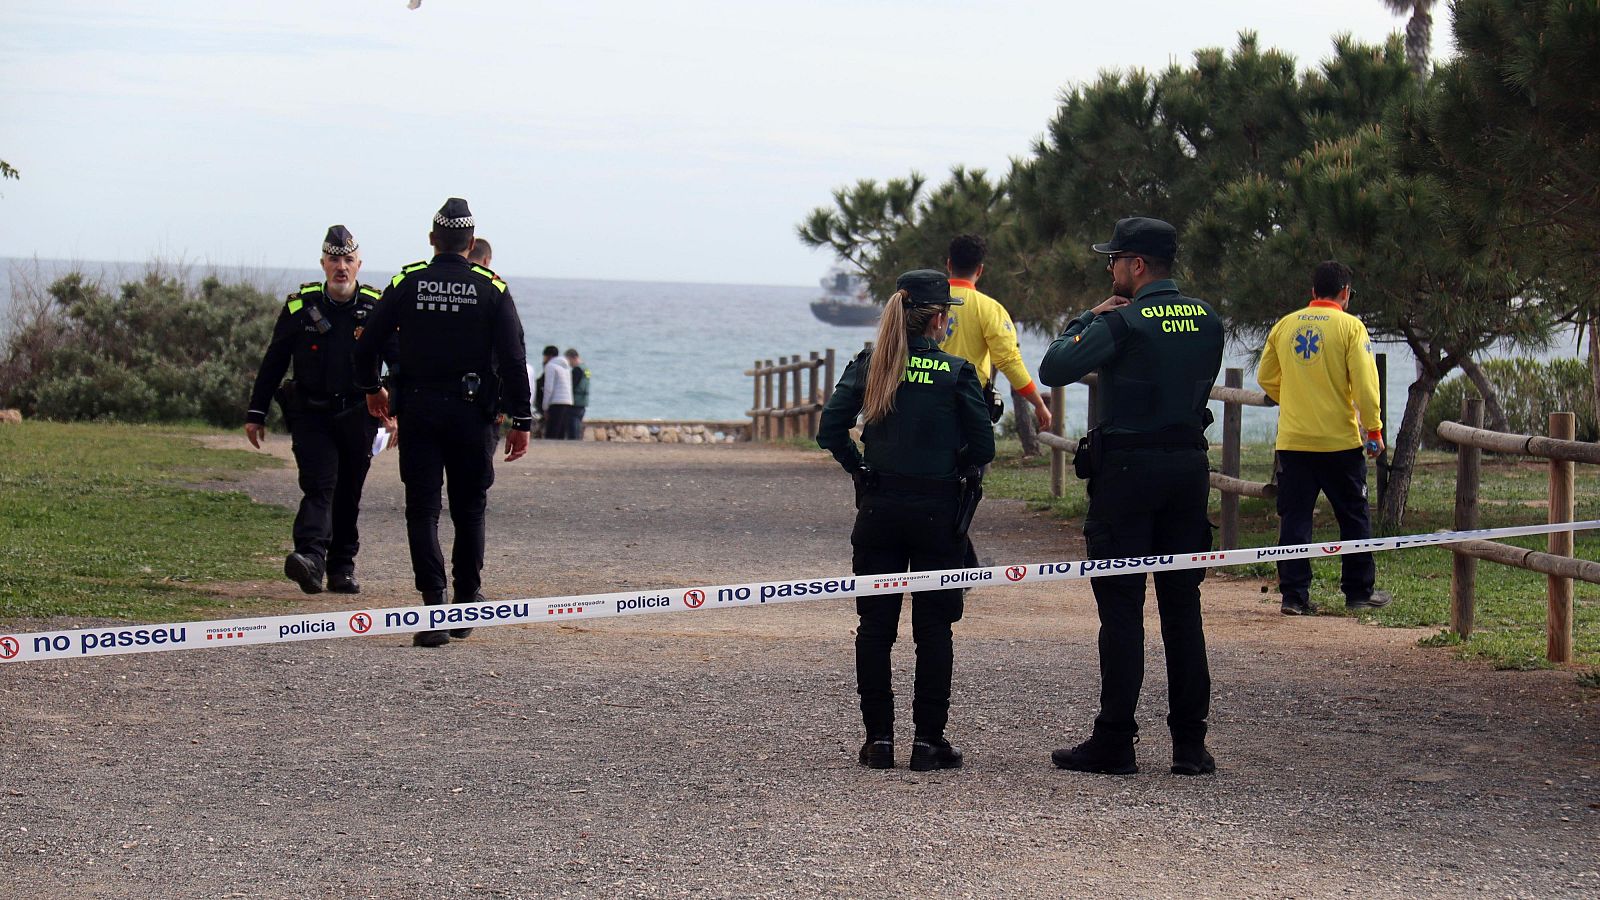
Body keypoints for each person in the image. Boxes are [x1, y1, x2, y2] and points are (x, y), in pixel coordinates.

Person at [1037, 216, 1223, 777]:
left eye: (1113, 260)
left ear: (1136, 265)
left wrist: (1086, 318)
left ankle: (1115, 739)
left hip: (1127, 474)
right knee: (1183, 611)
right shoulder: (1209, 319)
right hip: (1188, 470)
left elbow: (1056, 365)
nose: (1110, 269)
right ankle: (1190, 745)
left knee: (1121, 610)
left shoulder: (1125, 319)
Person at [817, 269, 994, 772]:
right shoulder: (957, 373)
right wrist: (950, 464)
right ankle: (928, 742)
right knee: (934, 628)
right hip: (939, 511)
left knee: (875, 626)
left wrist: (862, 470)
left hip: (880, 507)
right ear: (938, 319)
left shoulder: (872, 366)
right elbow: (982, 447)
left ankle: (878, 741)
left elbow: (832, 429)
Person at [354, 198, 533, 648]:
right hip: (473, 415)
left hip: (418, 410)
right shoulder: (491, 286)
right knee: (469, 508)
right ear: (471, 242)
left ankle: (433, 607)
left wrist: (373, 388)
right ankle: (466, 600)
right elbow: (514, 358)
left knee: (423, 509)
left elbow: (367, 343)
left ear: (433, 239)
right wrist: (522, 419)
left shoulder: (407, 281)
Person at [245, 225, 393, 596]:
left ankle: (342, 566)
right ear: (323, 263)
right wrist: (256, 412)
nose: (341, 267)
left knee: (349, 492)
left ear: (359, 264)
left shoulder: (375, 307)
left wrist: (396, 411)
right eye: (334, 260)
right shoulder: (301, 306)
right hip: (312, 413)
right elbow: (274, 361)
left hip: (359, 414)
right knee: (319, 485)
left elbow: (400, 362)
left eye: (348, 260)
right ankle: (310, 557)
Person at [1257, 261, 1390, 616]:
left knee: (1296, 518)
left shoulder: (1285, 325)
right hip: (1339, 443)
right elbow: (1365, 382)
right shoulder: (1351, 327)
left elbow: (1266, 376)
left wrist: (1297, 395)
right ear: (1345, 292)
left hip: (1294, 442)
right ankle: (1359, 591)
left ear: (1313, 291)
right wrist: (1373, 428)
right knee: (1353, 517)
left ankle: (1294, 596)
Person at [940, 233, 1053, 435]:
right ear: (980, 270)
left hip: (923, 401)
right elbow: (1009, 361)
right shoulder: (989, 309)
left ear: (949, 264)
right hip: (968, 404)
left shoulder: (925, 302)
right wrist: (1038, 403)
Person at [540, 344, 575, 440]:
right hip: (567, 401)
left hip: (556, 402)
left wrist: (545, 406)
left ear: (548, 356)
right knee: (561, 432)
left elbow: (548, 388)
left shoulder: (550, 366)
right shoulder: (566, 367)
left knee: (551, 432)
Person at [564, 348, 590, 440]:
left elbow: (572, 386)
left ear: (573, 358)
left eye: (568, 360)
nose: (569, 364)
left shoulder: (577, 370)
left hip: (575, 403)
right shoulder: (586, 369)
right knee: (577, 426)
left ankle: (574, 445)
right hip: (583, 403)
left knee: (573, 430)